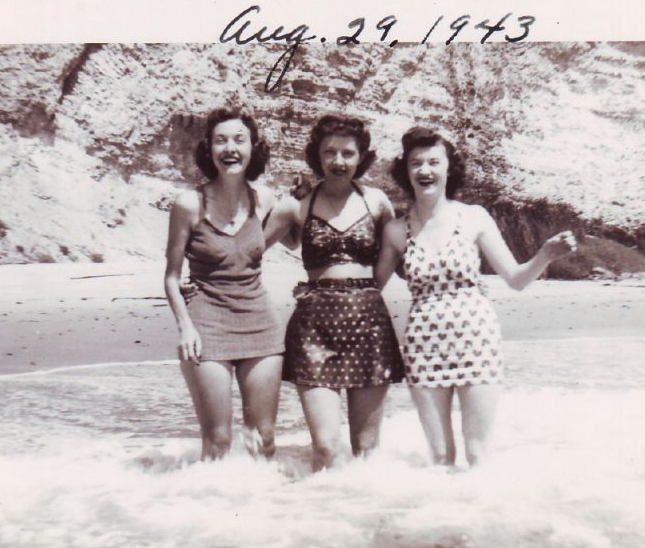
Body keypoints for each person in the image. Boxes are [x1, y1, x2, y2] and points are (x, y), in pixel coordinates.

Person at [375, 126, 577, 467]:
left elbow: (515, 279)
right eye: (416, 163)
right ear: (405, 171)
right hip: (423, 343)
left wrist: (545, 254)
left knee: (477, 453)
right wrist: (320, 285)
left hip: (476, 338)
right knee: (440, 457)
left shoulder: (474, 217)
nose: (425, 170)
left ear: (448, 168)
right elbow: (370, 287)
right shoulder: (396, 231)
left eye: (433, 162)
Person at [266, 115, 404, 470]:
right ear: (317, 156)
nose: (339, 162)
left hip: (369, 327)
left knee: (366, 447)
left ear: (361, 157)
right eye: (330, 153)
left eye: (347, 153)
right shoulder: (296, 205)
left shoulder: (377, 202)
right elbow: (246, 252)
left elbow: (402, 256)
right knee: (326, 448)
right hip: (314, 327)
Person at [163, 108, 284, 460]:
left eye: (239, 140)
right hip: (206, 325)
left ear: (252, 148)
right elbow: (171, 277)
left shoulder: (266, 200)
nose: (230, 148)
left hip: (261, 324)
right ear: (209, 149)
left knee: (264, 440)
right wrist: (185, 327)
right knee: (217, 441)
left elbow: (299, 235)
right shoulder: (188, 204)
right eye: (220, 140)